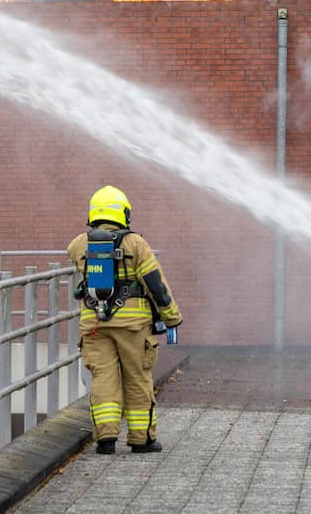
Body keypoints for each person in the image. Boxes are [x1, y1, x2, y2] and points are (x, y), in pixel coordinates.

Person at [68, 185, 182, 454]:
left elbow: (77, 262)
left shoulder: (79, 245)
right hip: (132, 326)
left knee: (103, 378)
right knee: (137, 378)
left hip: (95, 324)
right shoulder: (135, 244)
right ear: (123, 213)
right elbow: (156, 285)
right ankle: (141, 439)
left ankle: (105, 440)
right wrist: (171, 317)